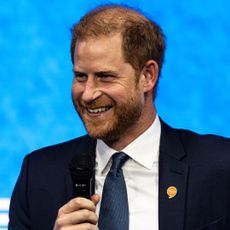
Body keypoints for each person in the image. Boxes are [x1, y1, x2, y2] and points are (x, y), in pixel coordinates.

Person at [9, 4, 230, 230]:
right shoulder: (38, 175)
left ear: (147, 76)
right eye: (81, 76)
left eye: (105, 77)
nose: (87, 94)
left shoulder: (220, 166)